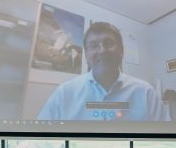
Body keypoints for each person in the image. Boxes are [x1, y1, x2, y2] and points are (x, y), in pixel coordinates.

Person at [37, 21, 168, 121]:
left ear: (122, 51)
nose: (102, 51)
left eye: (109, 43)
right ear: (86, 55)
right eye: (94, 46)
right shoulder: (64, 93)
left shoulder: (146, 93)